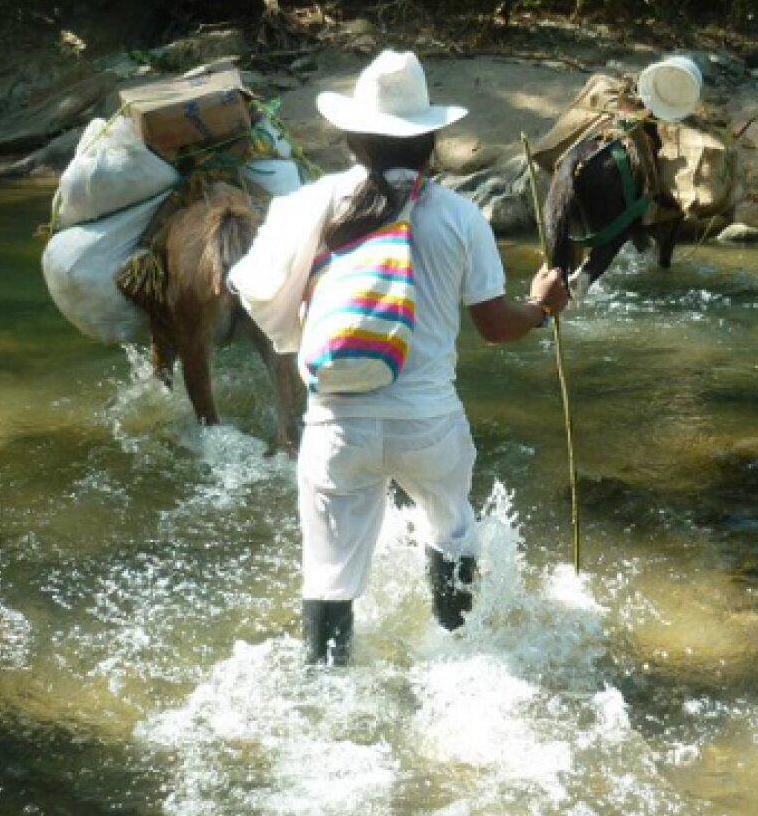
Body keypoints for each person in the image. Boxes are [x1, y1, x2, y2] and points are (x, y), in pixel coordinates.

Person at [235, 50, 569, 666]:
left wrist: (306, 323)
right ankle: (462, 659)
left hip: (337, 423)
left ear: (353, 137)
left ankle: (325, 693)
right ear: (432, 141)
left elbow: (252, 287)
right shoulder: (460, 216)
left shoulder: (314, 204)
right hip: (428, 422)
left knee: (329, 576)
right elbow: (495, 327)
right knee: (452, 527)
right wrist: (542, 306)